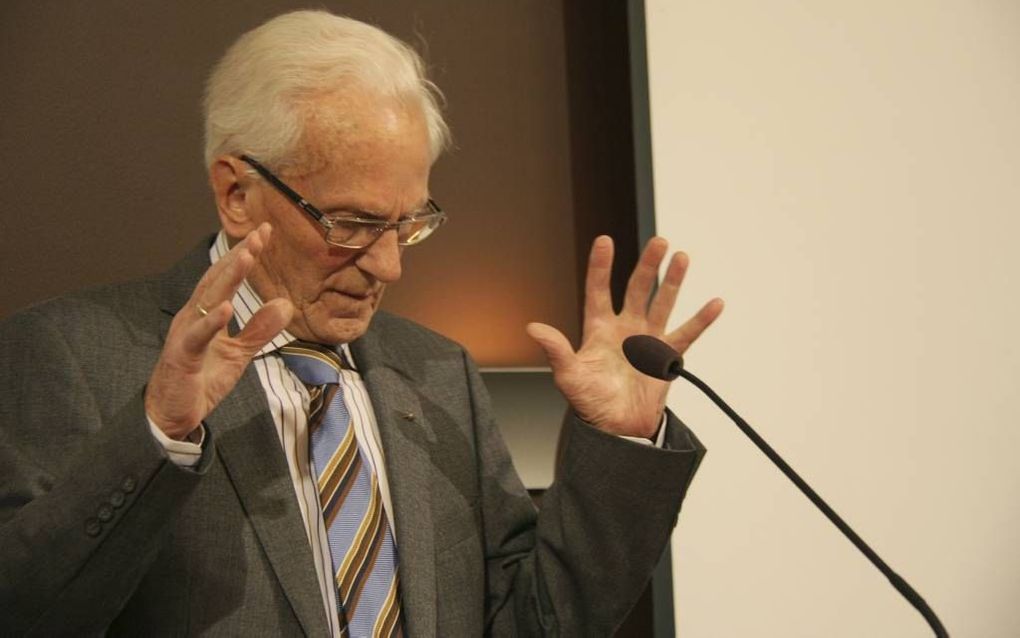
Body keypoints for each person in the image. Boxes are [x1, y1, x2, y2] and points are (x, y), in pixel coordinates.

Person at [0, 10, 723, 637]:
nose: (388, 266)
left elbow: (536, 625)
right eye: (352, 223)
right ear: (238, 194)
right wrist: (157, 435)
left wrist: (621, 443)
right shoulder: (70, 355)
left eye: (409, 225)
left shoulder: (439, 372)